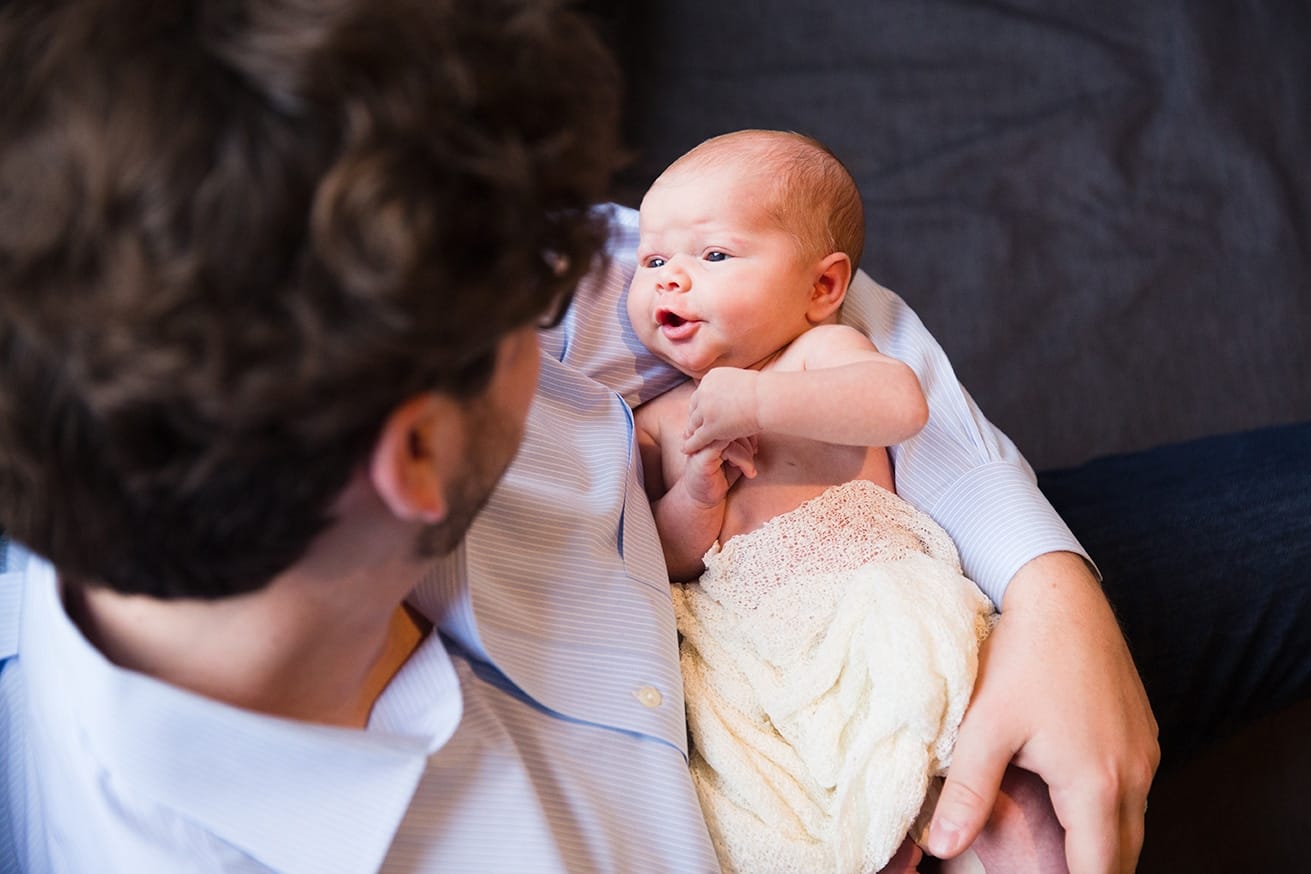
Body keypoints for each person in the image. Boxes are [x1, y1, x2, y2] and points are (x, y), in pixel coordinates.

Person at [0, 1, 1160, 872]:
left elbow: (819, 302)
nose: (585, 286)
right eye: (530, 297)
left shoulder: (218, 305)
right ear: (412, 457)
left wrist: (1052, 588)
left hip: (916, 590)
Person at [626, 129, 1067, 873]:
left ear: (821, 289)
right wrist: (697, 489)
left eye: (713, 255)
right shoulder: (665, 421)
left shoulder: (819, 355)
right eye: (652, 260)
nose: (670, 279)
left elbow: (898, 406)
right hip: (748, 640)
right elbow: (665, 557)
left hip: (868, 600)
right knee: (790, 804)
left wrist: (760, 400)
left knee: (995, 793)